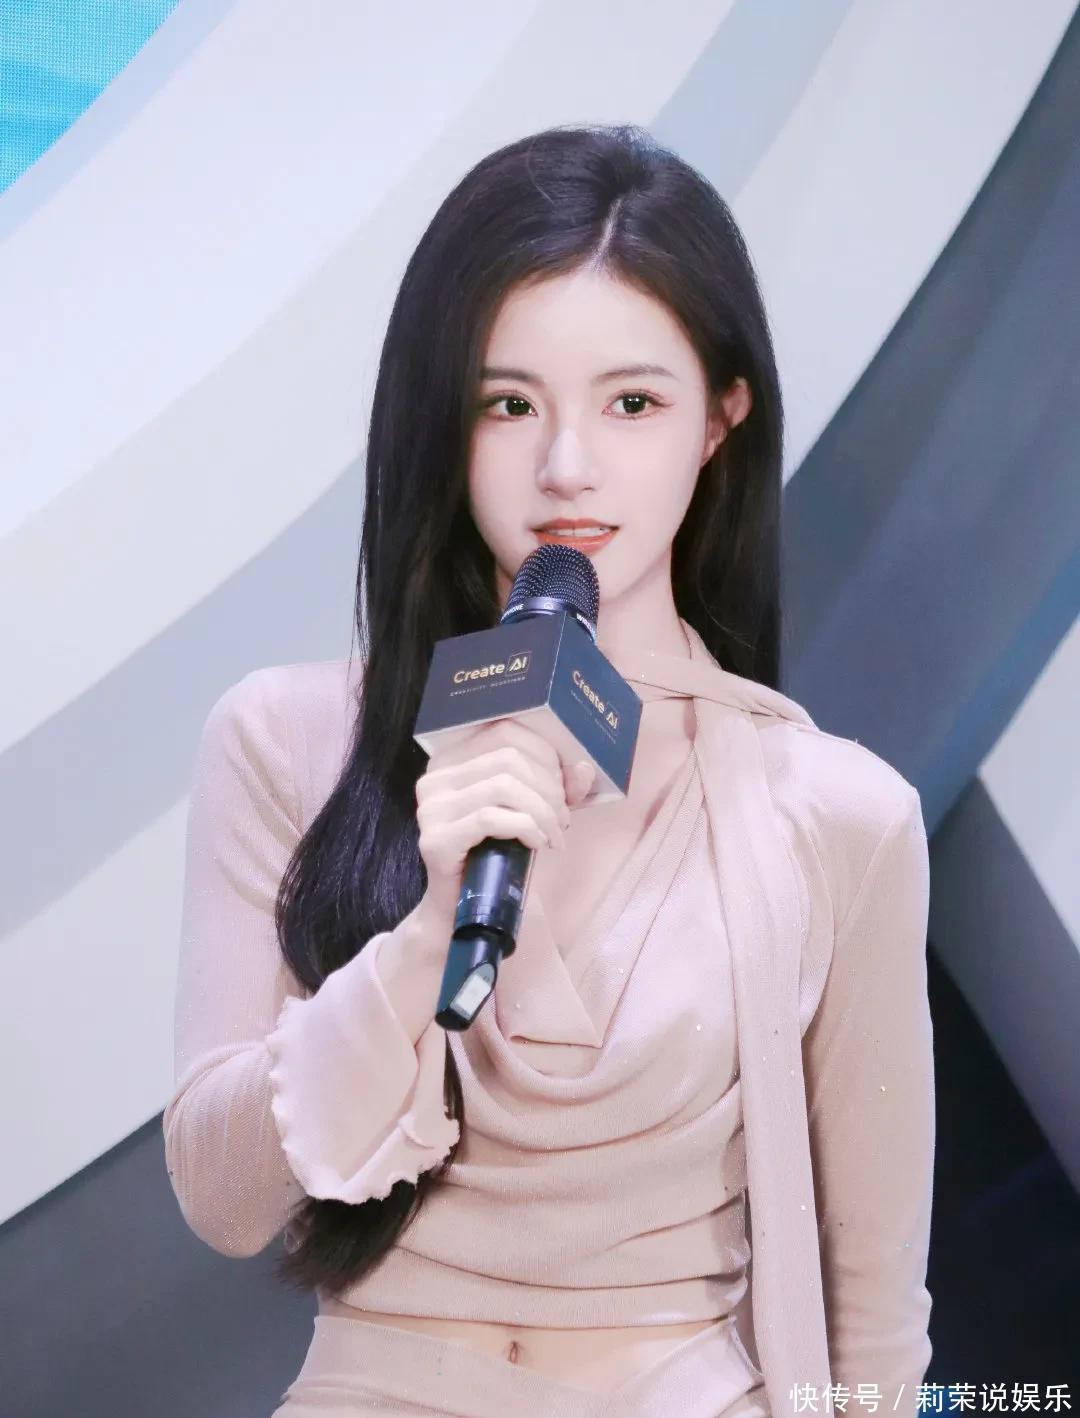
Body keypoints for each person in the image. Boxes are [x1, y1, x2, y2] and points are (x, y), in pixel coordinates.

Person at [163, 123, 935, 1418]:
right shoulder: (284, 739)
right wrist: (424, 935)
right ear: (442, 421)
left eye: (632, 403)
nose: (567, 466)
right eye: (508, 404)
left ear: (721, 417)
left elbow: (873, 1311)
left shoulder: (839, 814)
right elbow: (220, 1196)